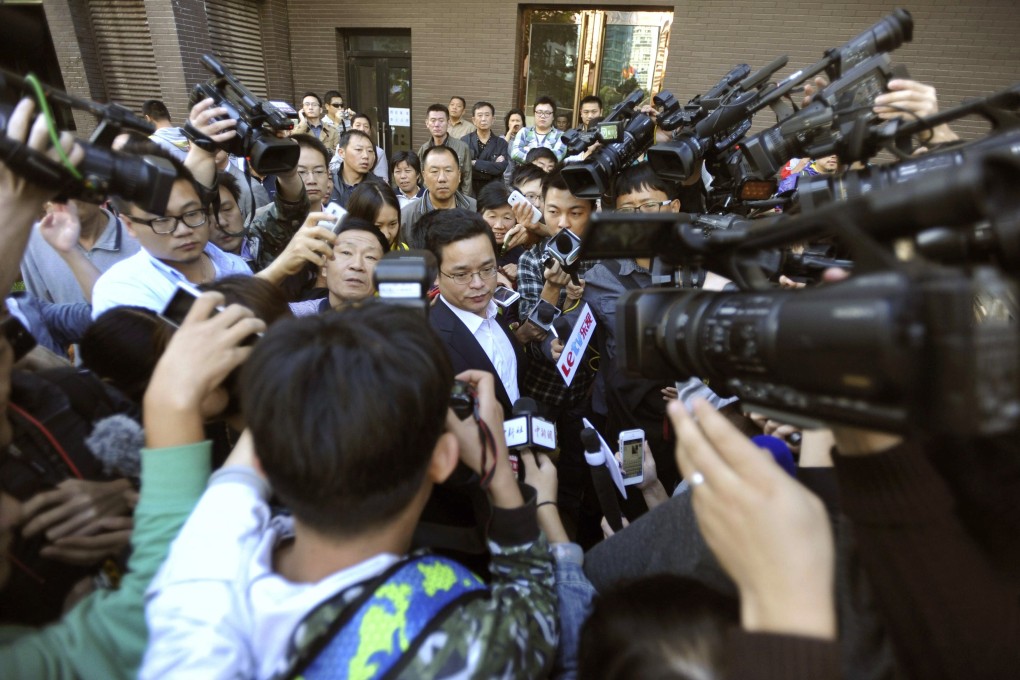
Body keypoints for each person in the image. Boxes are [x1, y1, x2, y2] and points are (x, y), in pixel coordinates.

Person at [141, 305, 557, 679]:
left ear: (265, 459)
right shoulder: (469, 650)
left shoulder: (197, 592)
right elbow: (537, 620)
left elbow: (234, 487)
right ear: (444, 458)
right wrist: (501, 478)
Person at [90, 143, 252, 319]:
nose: (183, 230)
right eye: (163, 220)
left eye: (191, 213)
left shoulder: (234, 265)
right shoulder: (121, 291)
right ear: (129, 225)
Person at [426, 209, 523, 414]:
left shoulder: (497, 312)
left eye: (488, 269)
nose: (478, 284)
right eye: (461, 274)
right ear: (435, 274)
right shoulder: (429, 344)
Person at [21, 199, 140, 305]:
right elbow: (43, 313)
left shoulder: (137, 237)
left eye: (75, 189)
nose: (65, 198)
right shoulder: (34, 240)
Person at [287, 217, 389, 316]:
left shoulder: (395, 325)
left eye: (370, 257)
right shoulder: (294, 317)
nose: (357, 265)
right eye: (346, 252)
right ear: (324, 265)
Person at [401, 145, 477, 249]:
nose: (442, 178)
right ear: (424, 177)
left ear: (459, 175)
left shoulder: (476, 209)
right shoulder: (406, 217)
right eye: (434, 171)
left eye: (448, 170)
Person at [417, 103, 472, 196]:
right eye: (433, 120)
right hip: (430, 200)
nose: (437, 125)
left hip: (455, 200)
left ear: (449, 122)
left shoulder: (462, 147)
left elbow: (467, 179)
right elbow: (420, 179)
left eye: (441, 120)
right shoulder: (423, 149)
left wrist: (463, 204)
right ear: (427, 123)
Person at [464, 101, 510, 196]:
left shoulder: (501, 143)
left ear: (493, 119)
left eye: (487, 115)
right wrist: (492, 165)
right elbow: (463, 167)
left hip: (494, 191)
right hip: (471, 190)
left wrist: (475, 162)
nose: (483, 119)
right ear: (473, 120)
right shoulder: (465, 140)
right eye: (480, 115)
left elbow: (500, 168)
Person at [345, 181, 406, 250]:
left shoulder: (403, 252)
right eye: (377, 227)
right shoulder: (339, 257)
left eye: (393, 224)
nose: (386, 235)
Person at [328, 129, 381, 208]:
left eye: (370, 151)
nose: (366, 156)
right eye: (358, 150)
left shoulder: (379, 186)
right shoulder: (328, 181)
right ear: (341, 153)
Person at [509, 96, 568, 167]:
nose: (542, 116)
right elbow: (515, 153)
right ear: (534, 114)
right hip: (527, 176)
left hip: (548, 177)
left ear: (553, 117)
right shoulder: (524, 132)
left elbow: (557, 157)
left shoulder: (561, 136)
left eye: (547, 113)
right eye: (539, 112)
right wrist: (544, 159)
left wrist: (529, 151)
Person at [350, 112, 388, 181]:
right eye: (358, 125)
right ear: (351, 128)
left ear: (370, 131)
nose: (362, 129)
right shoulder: (342, 148)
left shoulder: (379, 152)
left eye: (366, 126)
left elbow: (383, 180)